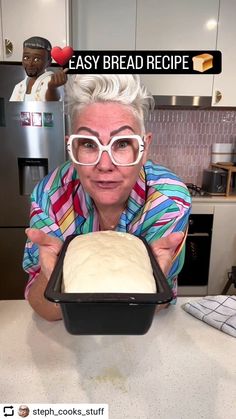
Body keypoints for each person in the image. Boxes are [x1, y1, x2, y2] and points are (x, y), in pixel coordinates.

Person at [23, 74, 191, 321]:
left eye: (122, 143)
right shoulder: (49, 196)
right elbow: (43, 308)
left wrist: (155, 282)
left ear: (144, 148)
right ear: (72, 147)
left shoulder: (168, 201)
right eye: (89, 144)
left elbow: (158, 307)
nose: (104, 165)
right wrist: (50, 279)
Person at [9, 36, 67, 101]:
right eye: (26, 58)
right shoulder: (19, 87)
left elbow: (54, 103)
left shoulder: (53, 82)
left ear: (48, 62)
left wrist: (52, 89)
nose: (30, 64)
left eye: (37, 59)